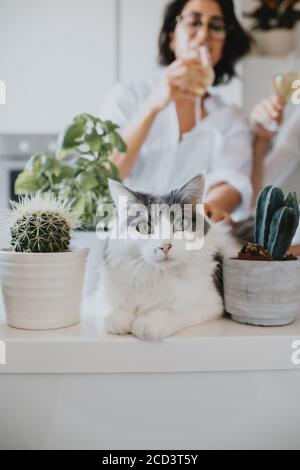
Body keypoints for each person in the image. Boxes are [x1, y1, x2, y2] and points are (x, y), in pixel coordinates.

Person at [100, 0, 254, 223]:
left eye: (216, 27)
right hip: (125, 240)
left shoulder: (231, 118)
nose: (203, 35)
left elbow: (231, 180)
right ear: (172, 38)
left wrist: (211, 207)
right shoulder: (127, 97)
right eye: (194, 22)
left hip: (190, 243)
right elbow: (106, 173)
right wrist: (154, 104)